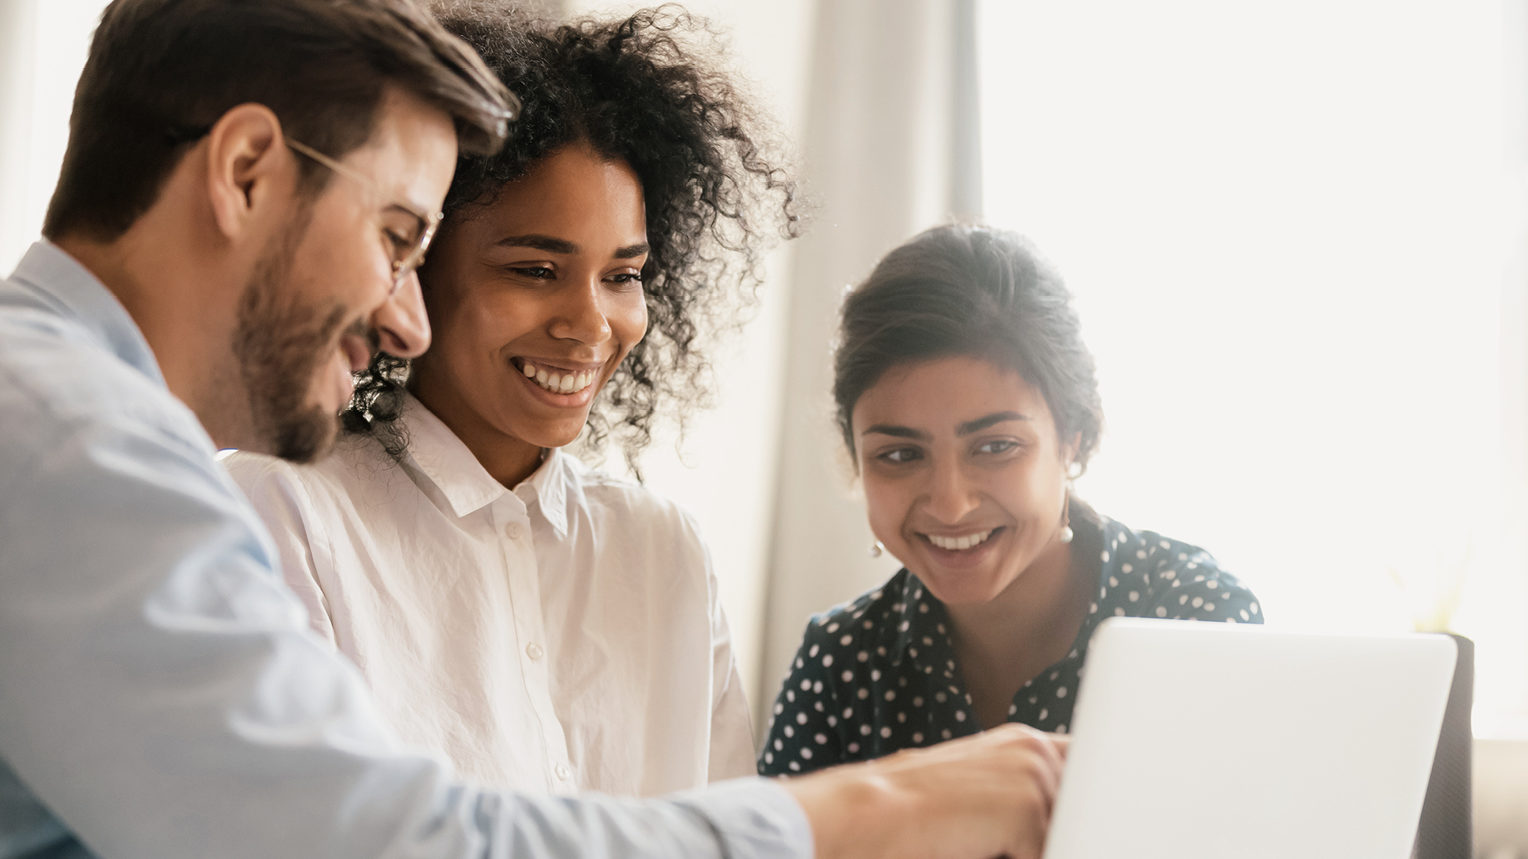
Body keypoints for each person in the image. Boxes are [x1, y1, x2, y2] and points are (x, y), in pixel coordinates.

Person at [0, 2, 1067, 857]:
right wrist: (870, 810)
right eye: (397, 236)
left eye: (624, 273)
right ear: (244, 172)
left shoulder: (63, 415)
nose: (402, 315)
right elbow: (366, 839)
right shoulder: (70, 439)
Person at [224, 3, 791, 796]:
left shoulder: (663, 553)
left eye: (622, 275)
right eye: (534, 270)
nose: (592, 323)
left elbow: (730, 836)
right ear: (412, 270)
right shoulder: (284, 509)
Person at [760, 224, 1262, 776]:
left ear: (1072, 437)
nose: (950, 505)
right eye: (900, 456)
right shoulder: (839, 663)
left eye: (996, 446)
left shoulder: (1197, 620)